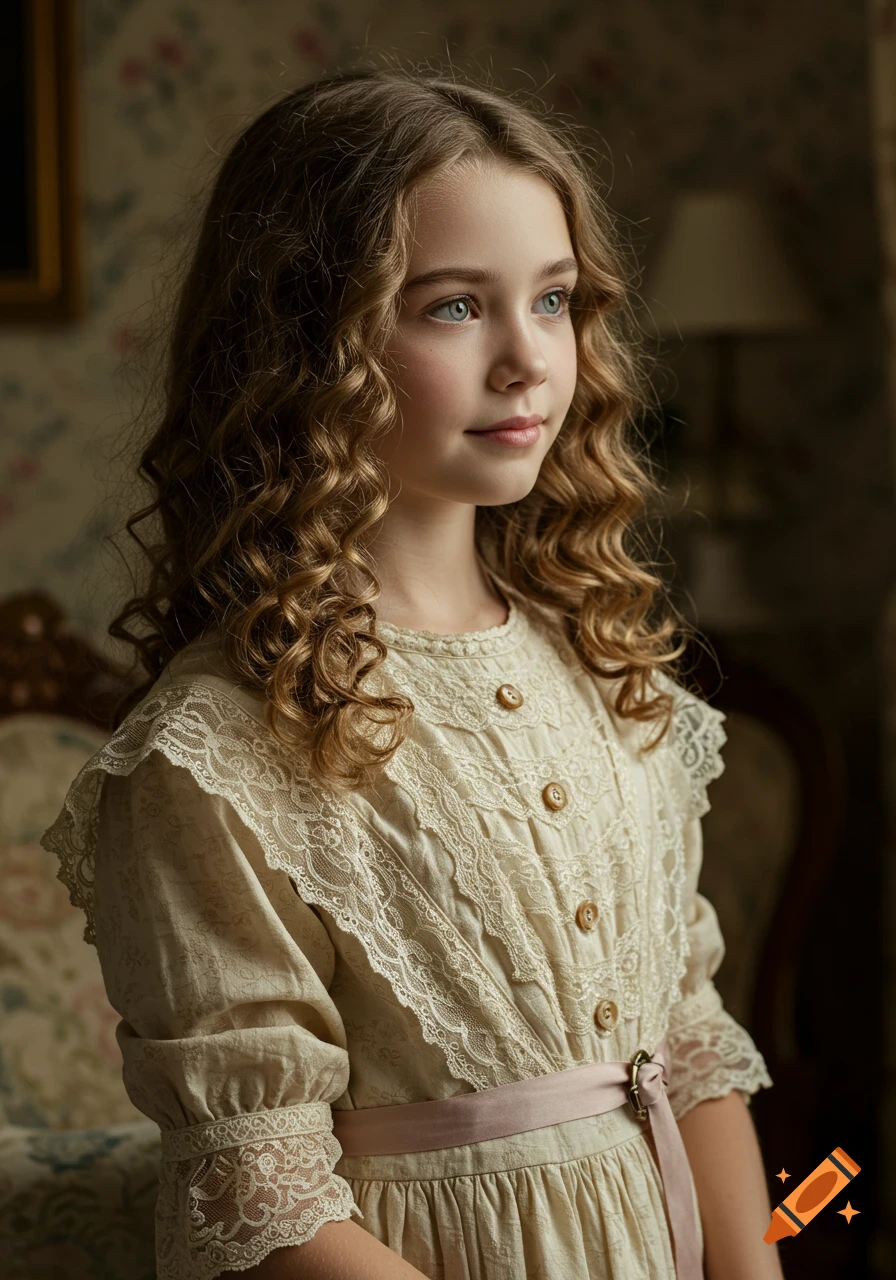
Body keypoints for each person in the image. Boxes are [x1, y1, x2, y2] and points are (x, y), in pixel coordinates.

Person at [41, 62, 784, 1280]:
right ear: (303, 341)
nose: (526, 361)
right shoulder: (218, 747)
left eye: (552, 301)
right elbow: (258, 1184)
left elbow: (686, 1032)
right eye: (451, 306)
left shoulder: (601, 660)